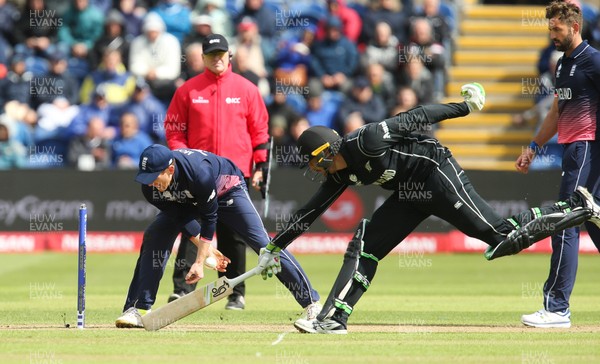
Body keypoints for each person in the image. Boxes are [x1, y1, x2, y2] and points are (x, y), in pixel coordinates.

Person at [255, 83, 600, 334]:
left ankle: (577, 206)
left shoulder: (367, 139)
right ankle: (333, 319)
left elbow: (417, 116)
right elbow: (309, 213)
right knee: (365, 245)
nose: (316, 173)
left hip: (436, 172)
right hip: (410, 192)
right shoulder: (340, 172)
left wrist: (464, 107)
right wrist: (273, 248)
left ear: (326, 152)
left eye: (315, 165)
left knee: (500, 238)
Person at [115, 144, 321, 328]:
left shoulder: (199, 174)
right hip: (188, 201)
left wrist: (199, 261)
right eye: (146, 179)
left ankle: (312, 304)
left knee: (265, 246)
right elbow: (180, 218)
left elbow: (209, 216)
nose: (150, 184)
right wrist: (209, 252)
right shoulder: (150, 188)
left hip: (228, 190)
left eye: (153, 178)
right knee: (156, 234)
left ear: (170, 169)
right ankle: (137, 308)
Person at [163, 34, 269, 310]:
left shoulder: (247, 89)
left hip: (234, 173)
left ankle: (234, 291)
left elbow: (259, 129)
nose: (217, 59)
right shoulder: (188, 90)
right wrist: (182, 160)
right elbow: (174, 129)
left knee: (234, 233)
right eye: (211, 55)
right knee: (193, 229)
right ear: (203, 57)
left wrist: (261, 164)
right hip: (197, 174)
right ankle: (183, 289)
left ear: (229, 55)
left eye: (221, 54)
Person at [515, 0, 600, 328]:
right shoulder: (562, 65)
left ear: (574, 27)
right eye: (549, 28)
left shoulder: (593, 61)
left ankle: (556, 309)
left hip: (586, 149)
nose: (551, 33)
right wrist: (534, 147)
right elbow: (555, 112)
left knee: (565, 223)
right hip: (573, 149)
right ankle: (557, 307)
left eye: (557, 28)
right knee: (591, 222)